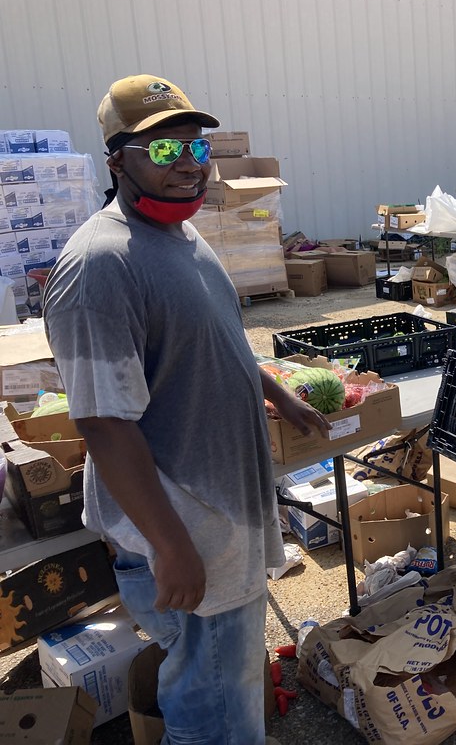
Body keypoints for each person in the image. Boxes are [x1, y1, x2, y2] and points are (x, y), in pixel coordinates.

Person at [43, 74, 329, 744]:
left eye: (195, 149)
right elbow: (103, 423)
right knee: (211, 711)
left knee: (227, 688)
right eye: (164, 152)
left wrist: (277, 391)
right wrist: (170, 546)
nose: (188, 167)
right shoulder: (100, 266)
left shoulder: (184, 239)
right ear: (118, 159)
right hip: (183, 530)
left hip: (219, 526)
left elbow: (206, 344)